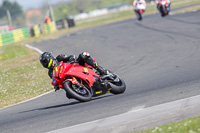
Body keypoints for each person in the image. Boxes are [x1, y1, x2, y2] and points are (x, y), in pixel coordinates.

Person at [39, 52, 111, 90]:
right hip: (68, 77)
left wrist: (71, 59)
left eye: (44, 61)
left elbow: (70, 56)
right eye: (43, 63)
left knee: (83, 55)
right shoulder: (51, 72)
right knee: (68, 95)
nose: (44, 64)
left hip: (75, 66)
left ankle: (101, 71)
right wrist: (56, 86)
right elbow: (55, 80)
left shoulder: (59, 57)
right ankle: (80, 89)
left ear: (49, 58)